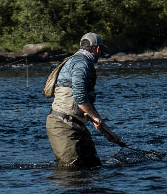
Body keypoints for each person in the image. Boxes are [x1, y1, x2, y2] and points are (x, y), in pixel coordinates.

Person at [45, 32, 122, 168]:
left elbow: (86, 104)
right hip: (63, 127)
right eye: (101, 51)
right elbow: (80, 97)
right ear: (97, 49)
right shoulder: (82, 63)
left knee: (93, 166)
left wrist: (107, 132)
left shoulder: (77, 61)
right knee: (72, 172)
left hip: (75, 124)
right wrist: (94, 117)